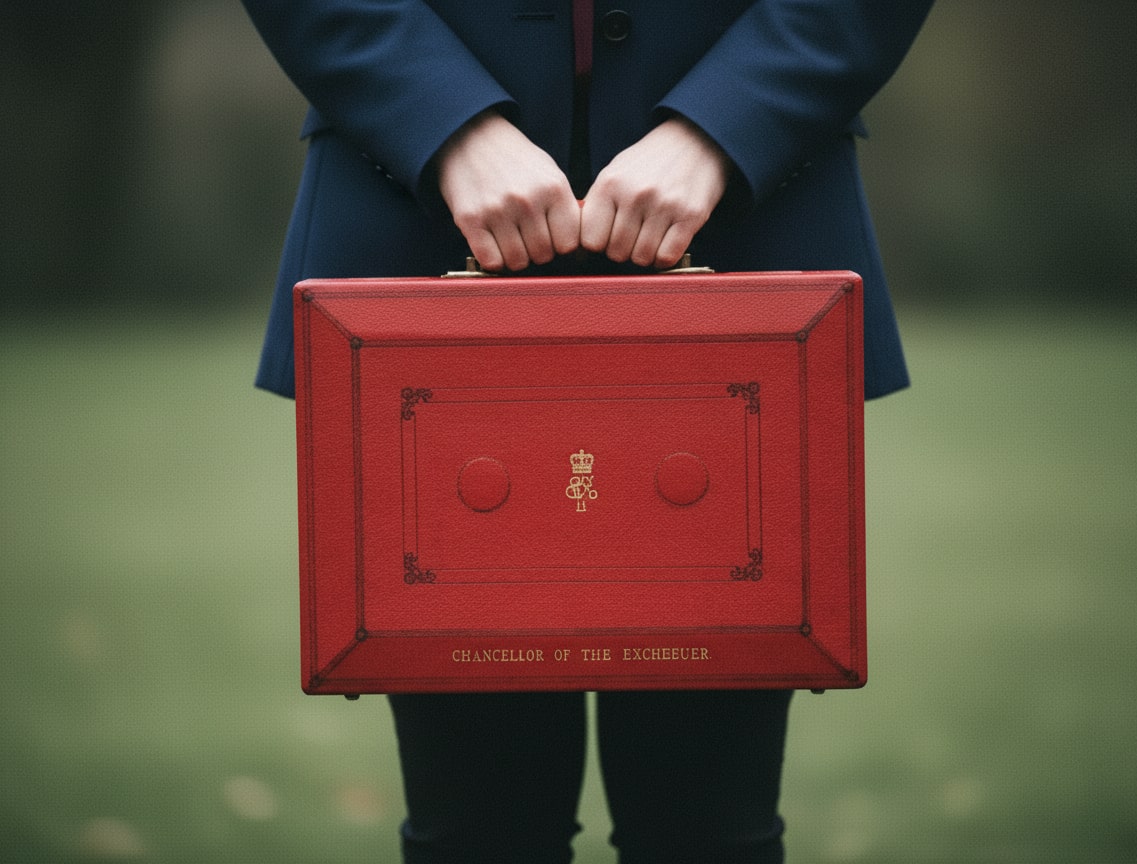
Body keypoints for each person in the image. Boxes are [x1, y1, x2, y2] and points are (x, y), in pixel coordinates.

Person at [242, 2, 933, 861]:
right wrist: (446, 122)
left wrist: (722, 126)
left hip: (745, 214)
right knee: (477, 837)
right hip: (419, 206)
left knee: (709, 834)